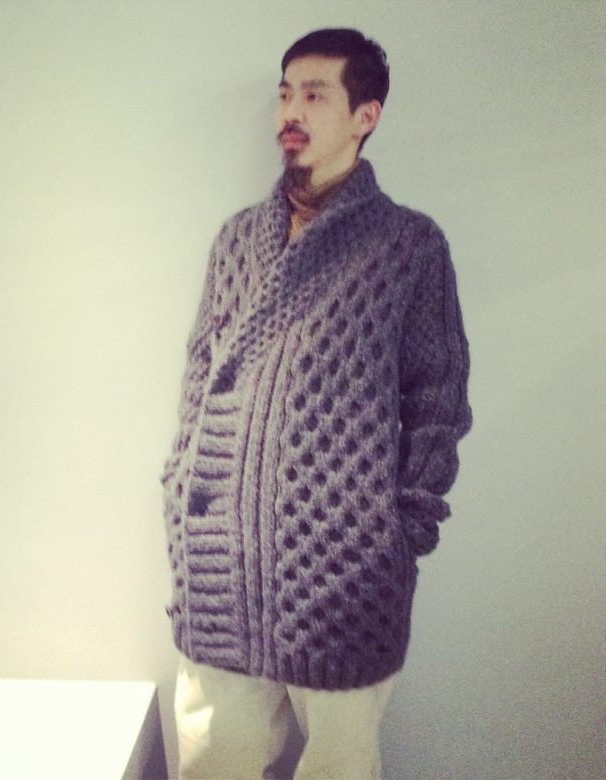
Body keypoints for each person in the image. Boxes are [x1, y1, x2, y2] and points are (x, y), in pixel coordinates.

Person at [159, 27, 472, 779]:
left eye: (314, 94)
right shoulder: (238, 241)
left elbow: (438, 395)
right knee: (212, 763)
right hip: (221, 569)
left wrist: (403, 529)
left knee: (340, 767)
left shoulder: (408, 246)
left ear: (366, 115)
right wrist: (179, 486)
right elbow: (201, 377)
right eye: (284, 93)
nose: (290, 110)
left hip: (346, 577)